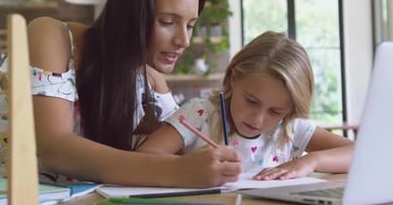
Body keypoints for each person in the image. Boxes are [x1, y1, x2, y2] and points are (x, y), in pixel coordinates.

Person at [0, 0, 242, 187]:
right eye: (168, 22)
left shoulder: (151, 77)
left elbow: (178, 147)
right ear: (129, 15)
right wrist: (179, 171)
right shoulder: (52, 37)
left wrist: (280, 162)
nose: (184, 40)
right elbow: (56, 149)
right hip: (1, 196)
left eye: (190, 25)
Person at [137, 31, 354, 180]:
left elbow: (359, 154)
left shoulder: (291, 127)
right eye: (251, 101)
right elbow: (142, 158)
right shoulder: (200, 113)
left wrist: (312, 161)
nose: (258, 119)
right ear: (233, 78)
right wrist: (187, 166)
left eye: (275, 111)